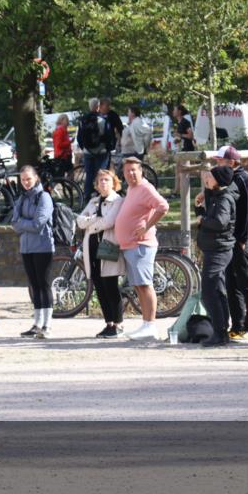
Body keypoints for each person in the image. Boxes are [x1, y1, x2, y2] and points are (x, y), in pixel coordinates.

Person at [115, 157, 170, 340]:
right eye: (127, 171)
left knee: (145, 286)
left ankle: (151, 325)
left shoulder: (145, 188)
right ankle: (146, 324)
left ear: (141, 171)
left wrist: (146, 226)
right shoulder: (132, 188)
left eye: (134, 170)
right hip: (130, 245)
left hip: (141, 245)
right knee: (139, 286)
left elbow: (163, 206)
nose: (131, 173)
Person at [211, 146, 248, 343]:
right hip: (229, 240)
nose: (217, 164)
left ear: (231, 162)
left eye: (220, 160)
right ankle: (237, 325)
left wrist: (243, 239)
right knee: (231, 283)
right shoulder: (228, 177)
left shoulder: (244, 178)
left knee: (247, 284)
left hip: (242, 240)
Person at [76, 169, 126, 338]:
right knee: (99, 286)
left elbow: (109, 222)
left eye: (107, 180)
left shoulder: (118, 201)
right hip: (91, 248)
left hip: (108, 247)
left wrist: (92, 222)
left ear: (113, 183)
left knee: (111, 286)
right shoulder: (93, 201)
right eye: (100, 181)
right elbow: (80, 221)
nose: (103, 183)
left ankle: (118, 324)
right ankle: (109, 323)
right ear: (96, 185)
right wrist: (94, 221)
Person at [194, 166, 239, 347]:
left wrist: (202, 220)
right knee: (217, 291)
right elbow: (210, 218)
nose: (207, 179)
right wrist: (198, 209)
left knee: (209, 292)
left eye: (210, 177)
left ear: (218, 180)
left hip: (219, 250)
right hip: (214, 248)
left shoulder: (224, 199)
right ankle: (221, 331)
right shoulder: (217, 196)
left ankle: (220, 333)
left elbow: (220, 222)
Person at [12, 165, 55, 338]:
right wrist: (24, 223)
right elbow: (14, 223)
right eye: (23, 180)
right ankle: (37, 323)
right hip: (26, 248)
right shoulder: (21, 198)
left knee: (43, 285)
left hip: (43, 247)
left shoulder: (44, 197)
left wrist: (23, 223)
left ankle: (47, 324)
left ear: (36, 178)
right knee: (34, 285)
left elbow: (39, 224)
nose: (26, 182)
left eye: (29, 179)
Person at [77, 98, 110, 203]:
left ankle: (87, 197)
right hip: (101, 152)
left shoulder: (82, 121)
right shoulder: (102, 120)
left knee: (89, 174)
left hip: (88, 152)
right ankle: (101, 195)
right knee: (100, 174)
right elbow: (108, 137)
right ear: (98, 107)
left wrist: (85, 148)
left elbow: (79, 138)